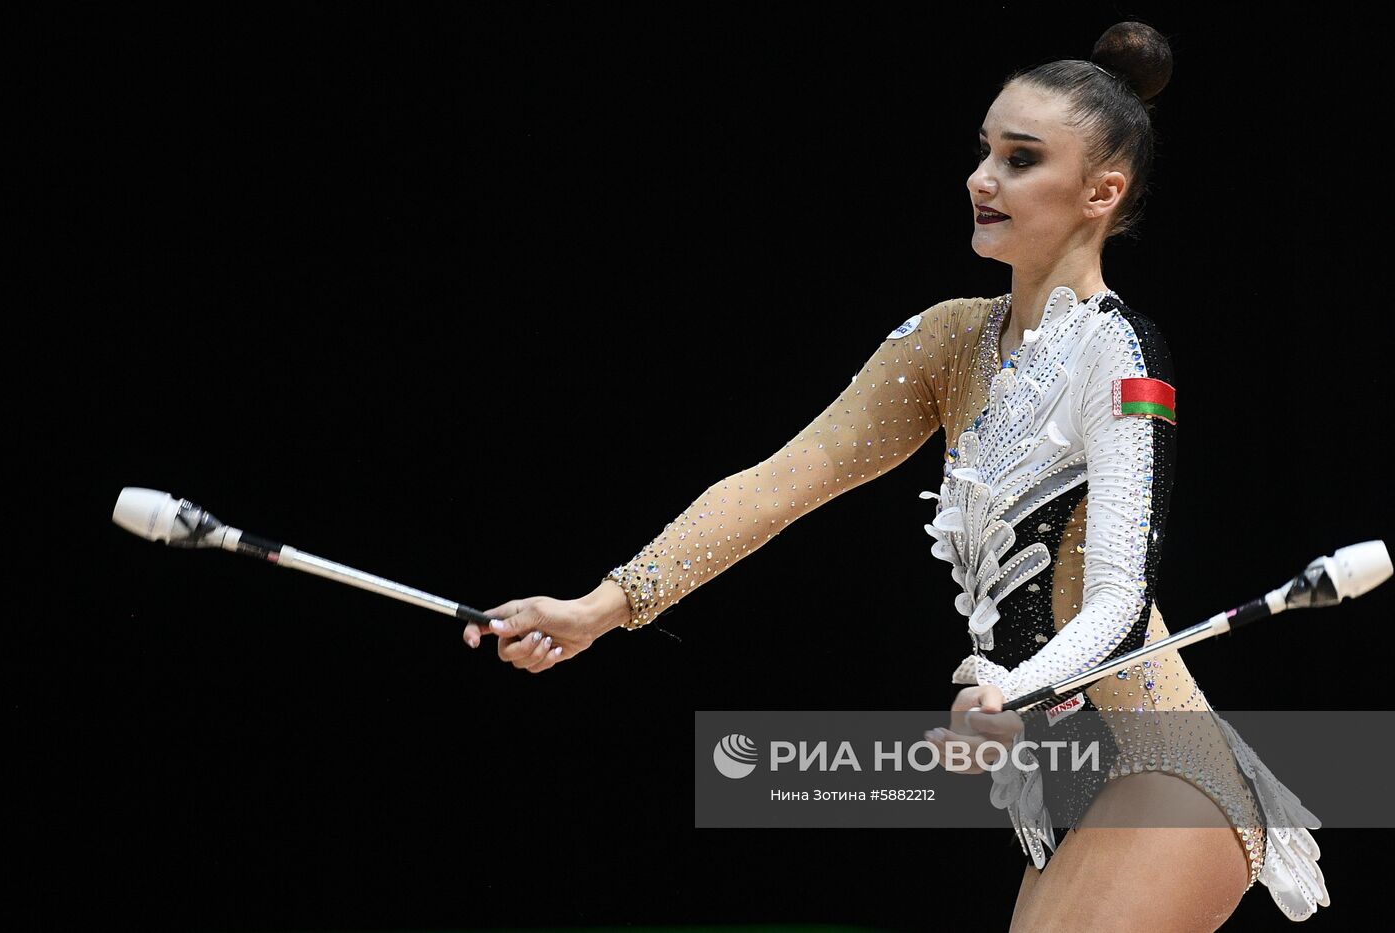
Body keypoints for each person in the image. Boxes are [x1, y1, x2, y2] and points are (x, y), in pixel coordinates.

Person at [461, 21, 1328, 931]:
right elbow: (778, 482)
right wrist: (605, 606)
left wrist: (1012, 688)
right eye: (984, 150)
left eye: (1020, 159)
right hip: (1064, 793)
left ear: (1100, 192)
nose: (981, 179)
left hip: (1164, 767)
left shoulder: (1119, 358)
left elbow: (1116, 602)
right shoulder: (949, 341)